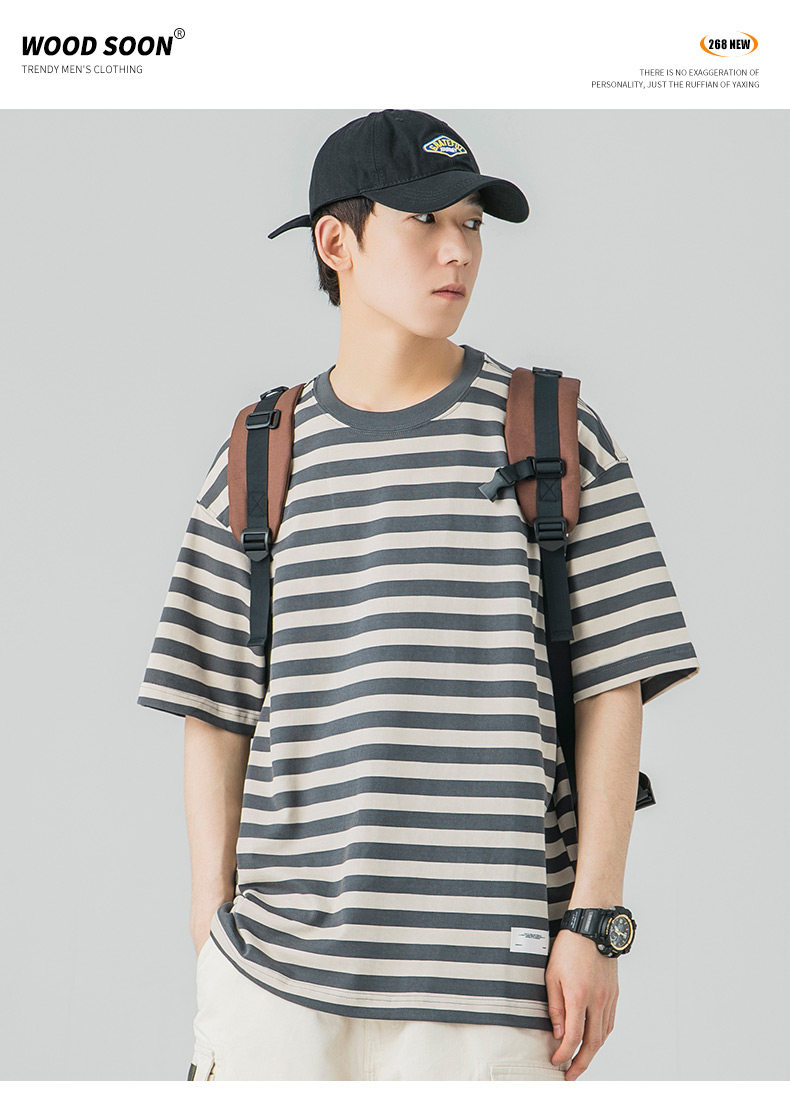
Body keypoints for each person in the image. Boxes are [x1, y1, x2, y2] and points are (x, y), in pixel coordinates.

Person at [137, 109, 700, 1081]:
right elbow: (214, 705)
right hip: (277, 978)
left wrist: (593, 922)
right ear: (336, 242)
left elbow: (613, 688)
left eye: (472, 223)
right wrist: (211, 928)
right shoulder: (260, 457)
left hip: (493, 982)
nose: (459, 251)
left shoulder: (553, 436)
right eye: (425, 221)